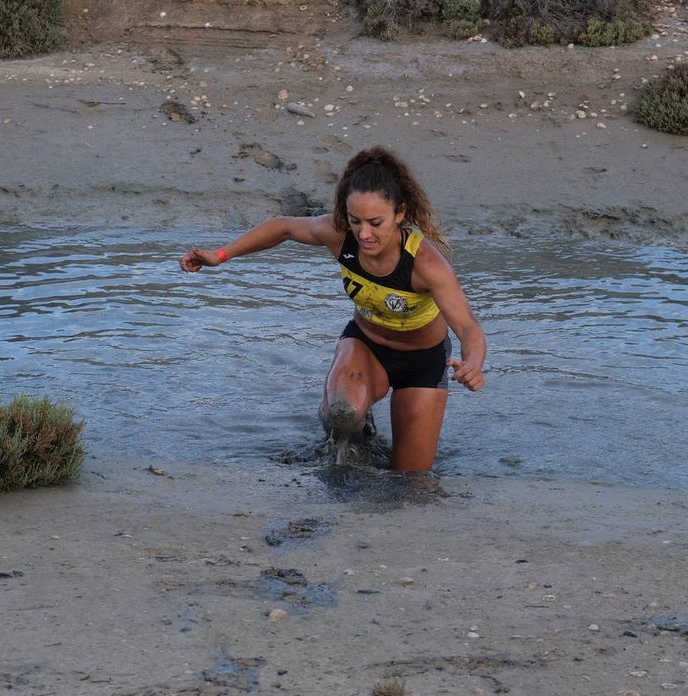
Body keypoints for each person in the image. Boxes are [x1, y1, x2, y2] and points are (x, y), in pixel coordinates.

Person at [180, 146, 486, 472]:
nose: (364, 234)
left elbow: (468, 327)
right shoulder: (340, 235)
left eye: (376, 223)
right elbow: (283, 227)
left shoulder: (427, 265)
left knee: (411, 481)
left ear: (400, 214)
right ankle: (354, 435)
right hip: (366, 346)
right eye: (355, 221)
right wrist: (219, 256)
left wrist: (473, 363)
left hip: (422, 363)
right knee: (343, 414)